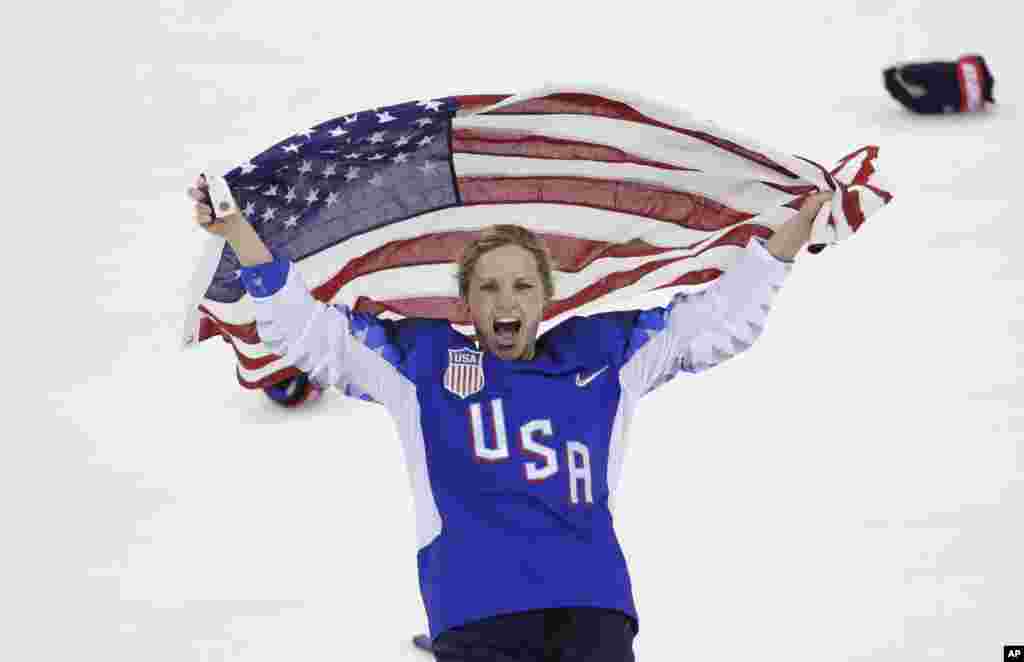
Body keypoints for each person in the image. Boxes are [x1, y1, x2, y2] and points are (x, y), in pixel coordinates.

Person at [188, 175, 832, 661]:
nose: (506, 300)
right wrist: (240, 235)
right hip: (477, 616)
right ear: (465, 304)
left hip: (592, 610)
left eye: (522, 286)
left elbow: (720, 320)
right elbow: (309, 334)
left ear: (545, 300)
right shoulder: (422, 360)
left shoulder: (604, 356)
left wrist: (790, 236)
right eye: (488, 287)